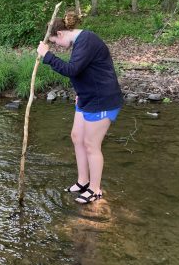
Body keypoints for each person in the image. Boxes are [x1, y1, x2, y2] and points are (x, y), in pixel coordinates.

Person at [37, 11, 123, 204]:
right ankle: (83, 182)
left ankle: (95, 190)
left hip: (102, 99)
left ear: (60, 35)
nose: (58, 47)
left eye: (55, 42)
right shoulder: (79, 42)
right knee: (77, 137)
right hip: (87, 97)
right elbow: (84, 71)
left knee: (92, 145)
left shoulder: (87, 40)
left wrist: (47, 56)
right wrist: (79, 91)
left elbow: (72, 70)